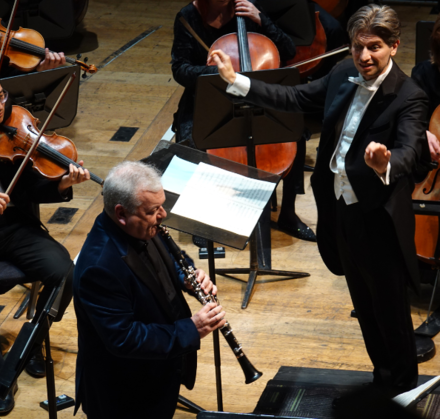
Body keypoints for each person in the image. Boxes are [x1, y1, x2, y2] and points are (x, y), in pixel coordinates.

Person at [209, 4, 433, 397]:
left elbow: (411, 150)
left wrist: (385, 163)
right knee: (365, 308)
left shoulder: (409, 95)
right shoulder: (344, 72)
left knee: (392, 316)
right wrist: (236, 80)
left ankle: (401, 390)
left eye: (375, 47)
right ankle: (381, 380)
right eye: (358, 46)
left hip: (378, 220)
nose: (364, 56)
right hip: (340, 211)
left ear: (394, 46)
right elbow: (295, 96)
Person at [73, 161, 225, 419]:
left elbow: (172, 257)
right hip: (126, 393)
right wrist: (192, 328)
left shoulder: (140, 225)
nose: (162, 214)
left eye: (161, 205)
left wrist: (186, 276)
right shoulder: (99, 268)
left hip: (158, 371)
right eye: (154, 210)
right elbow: (124, 338)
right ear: (121, 213)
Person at [171, 0, 316, 241]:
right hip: (209, 97)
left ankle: (288, 214)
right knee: (193, 137)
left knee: (295, 133)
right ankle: (202, 217)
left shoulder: (247, 8)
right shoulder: (188, 17)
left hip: (256, 95)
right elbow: (179, 69)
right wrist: (220, 73)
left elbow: (288, 50)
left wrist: (262, 20)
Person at [0, 77, 89, 415]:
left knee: (65, 273)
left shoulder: (13, 129)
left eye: (2, 96)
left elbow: (27, 190)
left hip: (13, 226)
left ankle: (30, 343)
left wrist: (62, 183)